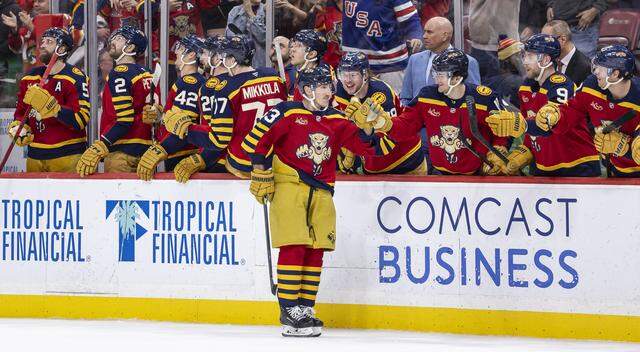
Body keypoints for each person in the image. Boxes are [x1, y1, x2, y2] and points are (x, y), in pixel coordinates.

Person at [244, 65, 395, 337]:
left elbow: (365, 149)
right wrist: (260, 171)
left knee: (316, 248)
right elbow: (258, 141)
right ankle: (289, 309)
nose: (330, 91)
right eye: (324, 87)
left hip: (324, 189)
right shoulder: (286, 111)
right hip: (290, 185)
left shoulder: (337, 119)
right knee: (294, 245)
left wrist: (369, 128)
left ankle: (305, 307)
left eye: (329, 86)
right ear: (307, 90)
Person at [365, 48, 508, 175]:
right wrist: (384, 123)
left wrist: (498, 150)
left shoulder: (484, 98)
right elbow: (406, 126)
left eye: (441, 74)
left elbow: (502, 129)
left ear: (457, 78)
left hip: (478, 175)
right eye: (436, 73)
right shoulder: (427, 96)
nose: (436, 78)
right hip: (439, 174)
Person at [162, 35, 287, 182]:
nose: (221, 59)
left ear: (233, 60)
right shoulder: (272, 76)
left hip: (242, 164)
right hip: (274, 162)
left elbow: (219, 139)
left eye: (224, 55)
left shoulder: (226, 88)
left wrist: (186, 129)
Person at [485, 34, 599, 177]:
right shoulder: (525, 88)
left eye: (530, 56)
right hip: (543, 167)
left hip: (577, 166)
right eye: (524, 56)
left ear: (545, 60)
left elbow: (550, 126)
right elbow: (531, 132)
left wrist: (519, 124)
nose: (525, 61)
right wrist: (522, 154)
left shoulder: (562, 86)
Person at [537, 45, 640, 177]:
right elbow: (572, 109)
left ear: (615, 73)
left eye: (601, 68)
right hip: (613, 171)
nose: (595, 71)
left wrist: (626, 149)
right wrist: (555, 116)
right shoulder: (591, 85)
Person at [9, 27, 90, 172]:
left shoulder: (74, 77)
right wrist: (18, 128)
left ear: (62, 48)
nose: (43, 45)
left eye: (49, 42)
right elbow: (21, 113)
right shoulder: (30, 77)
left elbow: (81, 119)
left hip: (68, 156)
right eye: (43, 41)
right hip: (35, 155)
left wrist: (54, 109)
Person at [76, 26, 153, 176]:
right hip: (145, 152)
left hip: (121, 152)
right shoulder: (148, 73)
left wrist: (102, 144)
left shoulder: (119, 73)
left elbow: (124, 119)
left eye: (119, 39)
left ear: (130, 47)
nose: (112, 41)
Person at [334, 52, 425, 174]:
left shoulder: (381, 94)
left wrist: (363, 131)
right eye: (343, 74)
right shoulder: (340, 90)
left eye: (353, 74)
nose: (347, 80)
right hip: (373, 167)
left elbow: (387, 143)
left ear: (365, 74)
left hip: (405, 161)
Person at [136, 35, 207, 181]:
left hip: (181, 153)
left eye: (181, 49)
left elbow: (183, 127)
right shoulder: (196, 81)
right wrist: (160, 115)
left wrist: (162, 149)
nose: (176, 52)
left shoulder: (188, 82)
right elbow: (178, 119)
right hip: (184, 152)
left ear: (191, 54)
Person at [341, 0, 423, 94]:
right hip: (354, 64)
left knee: (390, 104)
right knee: (353, 106)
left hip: (390, 66)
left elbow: (410, 19)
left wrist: (415, 36)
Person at [400, 16, 480, 106]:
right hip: (418, 118)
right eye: (424, 32)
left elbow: (474, 97)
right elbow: (406, 97)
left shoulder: (468, 61)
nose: (424, 36)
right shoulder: (415, 60)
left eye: (429, 32)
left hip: (452, 117)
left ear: (444, 36)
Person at [541, 20, 591, 86]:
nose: (543, 45)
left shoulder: (585, 67)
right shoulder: (547, 61)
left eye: (547, 40)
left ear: (563, 39)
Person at [483, 34, 524, 108]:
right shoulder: (516, 82)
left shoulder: (488, 82)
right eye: (518, 55)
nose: (523, 60)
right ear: (506, 61)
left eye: (523, 55)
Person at [286, 29, 327, 100]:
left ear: (311, 54)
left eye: (298, 46)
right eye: (293, 44)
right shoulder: (291, 72)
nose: (292, 49)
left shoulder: (322, 78)